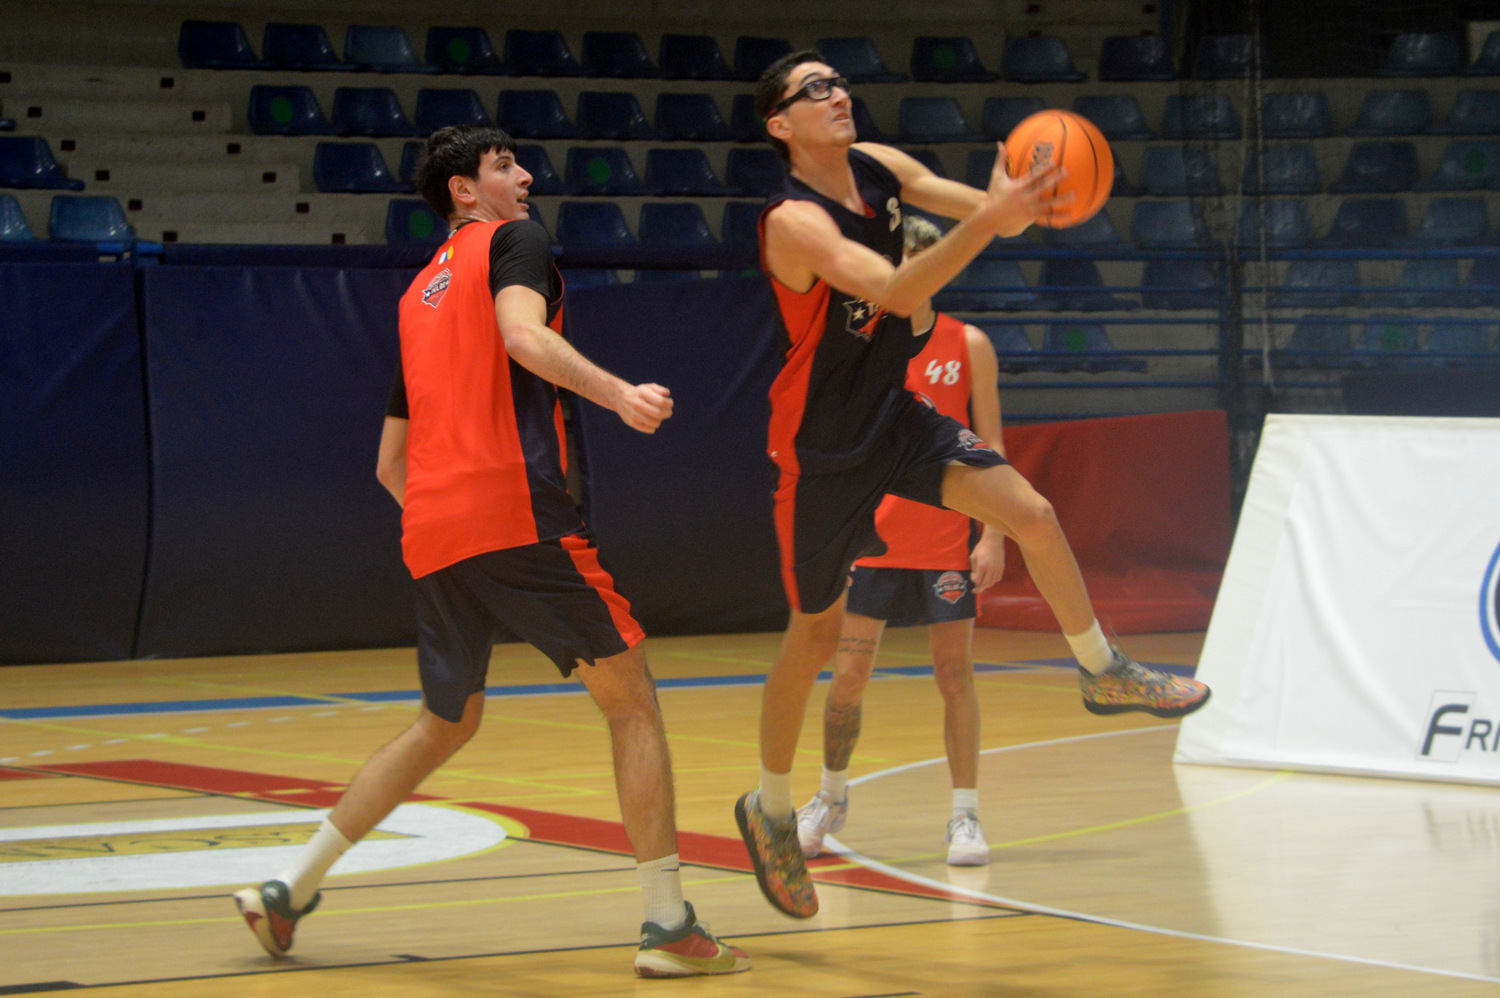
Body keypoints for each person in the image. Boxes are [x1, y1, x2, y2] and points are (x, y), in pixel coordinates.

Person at [232, 125, 749, 979]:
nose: (528, 174)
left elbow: (387, 464)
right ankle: (669, 927)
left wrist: (450, 518)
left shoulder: (414, 298)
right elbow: (521, 336)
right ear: (465, 192)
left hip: (432, 529)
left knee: (446, 723)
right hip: (514, 511)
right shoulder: (516, 241)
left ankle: (288, 888)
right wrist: (619, 393)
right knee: (632, 699)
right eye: (506, 164)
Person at [735, 51, 1210, 920]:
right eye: (813, 89)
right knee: (813, 640)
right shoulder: (791, 222)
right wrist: (992, 220)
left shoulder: (883, 168)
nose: (836, 93)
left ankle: (1103, 670)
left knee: (1032, 511)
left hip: (895, 413)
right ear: (780, 125)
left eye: (838, 81)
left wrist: (1021, 202)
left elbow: (1002, 223)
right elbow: (896, 285)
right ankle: (768, 809)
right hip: (823, 449)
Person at [796, 214, 1005, 868]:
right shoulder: (861, 345)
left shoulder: (968, 343)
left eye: (921, 255)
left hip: (946, 542)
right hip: (873, 541)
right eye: (901, 257)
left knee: (954, 673)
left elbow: (990, 442)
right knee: (849, 677)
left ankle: (965, 816)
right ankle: (829, 798)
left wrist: (993, 532)